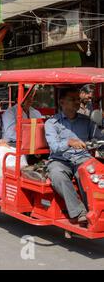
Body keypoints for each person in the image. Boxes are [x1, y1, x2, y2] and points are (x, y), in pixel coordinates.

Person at [45, 88, 104, 225]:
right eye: (72, 100)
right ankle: (80, 212)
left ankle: (96, 210)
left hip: (82, 158)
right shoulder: (52, 123)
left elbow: (98, 138)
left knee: (93, 174)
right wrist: (69, 142)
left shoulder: (87, 121)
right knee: (57, 175)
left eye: (78, 99)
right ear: (62, 102)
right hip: (60, 160)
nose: (77, 102)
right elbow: (54, 146)